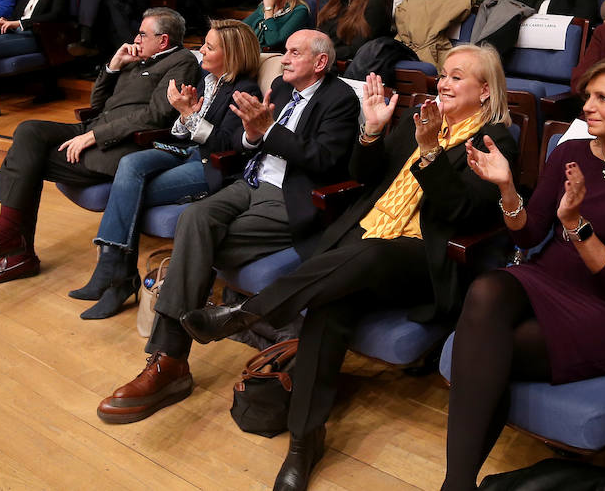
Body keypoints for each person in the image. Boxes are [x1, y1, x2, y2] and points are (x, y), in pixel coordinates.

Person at [178, 47, 518, 489]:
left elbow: (462, 211)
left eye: (457, 77)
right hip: (364, 239)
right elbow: (365, 175)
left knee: (371, 254)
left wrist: (431, 152)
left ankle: (251, 312)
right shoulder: (421, 118)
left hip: (419, 256)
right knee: (328, 308)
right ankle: (304, 442)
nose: (444, 83)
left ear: (486, 90)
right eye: (443, 75)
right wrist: (373, 132)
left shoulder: (495, 139)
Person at [443, 54, 605, 490]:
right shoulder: (571, 151)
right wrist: (506, 187)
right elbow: (528, 233)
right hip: (545, 278)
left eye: (601, 97)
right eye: (587, 96)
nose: (587, 107)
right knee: (486, 290)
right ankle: (458, 484)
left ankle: (455, 485)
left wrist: (576, 225)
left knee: (485, 352)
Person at [97, 30, 359, 427]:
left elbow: (322, 160)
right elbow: (242, 140)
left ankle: (169, 362)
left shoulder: (339, 99)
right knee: (194, 219)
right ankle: (179, 352)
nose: (283, 59)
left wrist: (269, 131)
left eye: (293, 53)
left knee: (194, 245)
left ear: (320, 63)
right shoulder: (280, 89)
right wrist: (255, 133)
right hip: (247, 182)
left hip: (289, 197)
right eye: (283, 51)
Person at [0, 8, 202, 284]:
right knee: (28, 131)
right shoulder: (136, 59)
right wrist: (113, 65)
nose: (136, 38)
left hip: (118, 145)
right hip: (93, 127)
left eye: (143, 34)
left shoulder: (181, 62)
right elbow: (97, 103)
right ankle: (12, 243)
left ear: (164, 40)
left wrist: (95, 137)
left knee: (26, 161)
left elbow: (155, 116)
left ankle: (12, 246)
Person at [70, 20, 261, 319]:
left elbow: (230, 145)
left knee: (128, 192)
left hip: (210, 165)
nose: (201, 51)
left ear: (232, 54)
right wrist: (184, 113)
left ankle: (116, 276)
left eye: (210, 47)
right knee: (130, 163)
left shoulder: (245, 90)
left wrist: (189, 114)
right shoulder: (206, 79)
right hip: (181, 150)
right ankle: (114, 271)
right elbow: (179, 133)